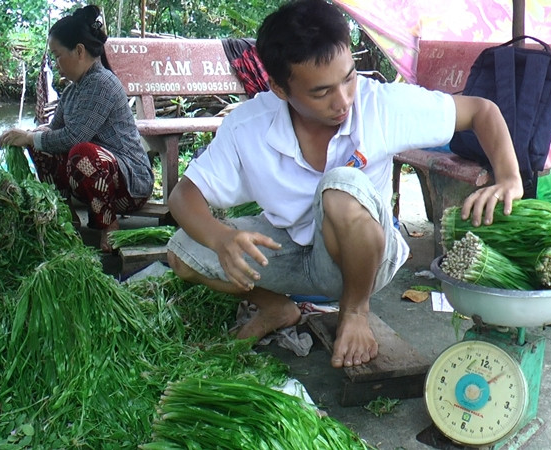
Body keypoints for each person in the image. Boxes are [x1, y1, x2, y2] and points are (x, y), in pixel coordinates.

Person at [165, 0, 523, 368]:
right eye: (321, 92)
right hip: (293, 251)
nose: (343, 101)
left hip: (367, 260)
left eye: (349, 78)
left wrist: (510, 179)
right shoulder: (248, 126)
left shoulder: (380, 105)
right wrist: (220, 238)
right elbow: (184, 195)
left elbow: (481, 111)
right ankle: (277, 309)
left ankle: (355, 313)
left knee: (341, 186)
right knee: (184, 251)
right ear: (280, 89)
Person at [0, 5, 154, 252]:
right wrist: (26, 136)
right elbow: (52, 132)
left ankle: (109, 225)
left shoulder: (102, 83)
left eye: (58, 55)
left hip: (130, 187)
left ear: (79, 51)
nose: (56, 63)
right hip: (95, 185)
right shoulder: (72, 91)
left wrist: (28, 137)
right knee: (40, 139)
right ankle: (66, 216)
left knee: (82, 153)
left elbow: (74, 137)